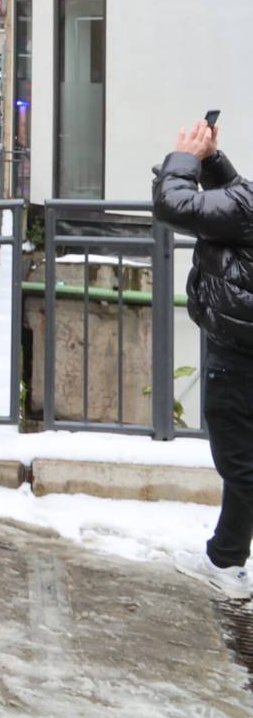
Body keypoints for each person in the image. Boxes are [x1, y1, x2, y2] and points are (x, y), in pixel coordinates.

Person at [157, 118, 253, 594]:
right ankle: (225, 560)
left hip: (237, 353)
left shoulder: (245, 209)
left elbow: (172, 204)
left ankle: (225, 560)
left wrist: (185, 160)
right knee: (245, 462)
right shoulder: (244, 205)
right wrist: (213, 161)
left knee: (238, 462)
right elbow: (237, 199)